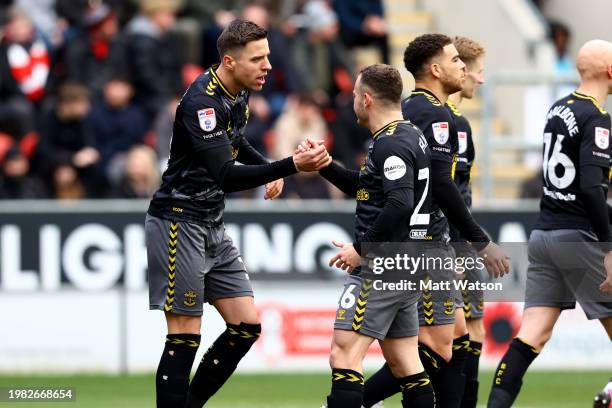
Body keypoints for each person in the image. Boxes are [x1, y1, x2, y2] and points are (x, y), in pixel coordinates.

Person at [145, 19, 331, 408]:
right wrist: (289, 166)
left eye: (267, 56)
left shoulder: (238, 91)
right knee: (184, 334)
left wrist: (266, 167)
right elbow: (226, 175)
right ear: (229, 61)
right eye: (257, 59)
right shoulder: (202, 103)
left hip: (211, 221)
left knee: (246, 325)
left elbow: (235, 140)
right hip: (179, 220)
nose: (268, 66)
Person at [362, 33, 509, 408]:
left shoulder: (422, 111)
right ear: (436, 68)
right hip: (425, 243)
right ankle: (355, 399)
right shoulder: (433, 113)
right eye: (456, 60)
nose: (464, 68)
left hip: (428, 242)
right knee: (437, 344)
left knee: (451, 338)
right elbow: (442, 185)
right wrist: (475, 241)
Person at [487, 39, 612, 408]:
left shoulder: (558, 109)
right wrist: (607, 248)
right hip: (578, 236)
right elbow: (591, 189)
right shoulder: (597, 118)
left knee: (532, 335)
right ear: (609, 71)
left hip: (544, 234)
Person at [310, 63, 435, 407]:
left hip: (383, 265)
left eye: (353, 94)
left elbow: (399, 203)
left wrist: (361, 248)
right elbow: (369, 189)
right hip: (409, 262)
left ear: (366, 99)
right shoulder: (409, 136)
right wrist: (325, 165)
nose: (351, 99)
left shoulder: (389, 145)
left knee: (344, 355)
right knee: (404, 362)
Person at [446, 36, 486, 408]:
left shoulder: (461, 126)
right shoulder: (443, 124)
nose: (480, 79)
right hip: (448, 244)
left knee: (473, 331)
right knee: (445, 339)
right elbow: (445, 193)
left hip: (462, 243)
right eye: (478, 71)